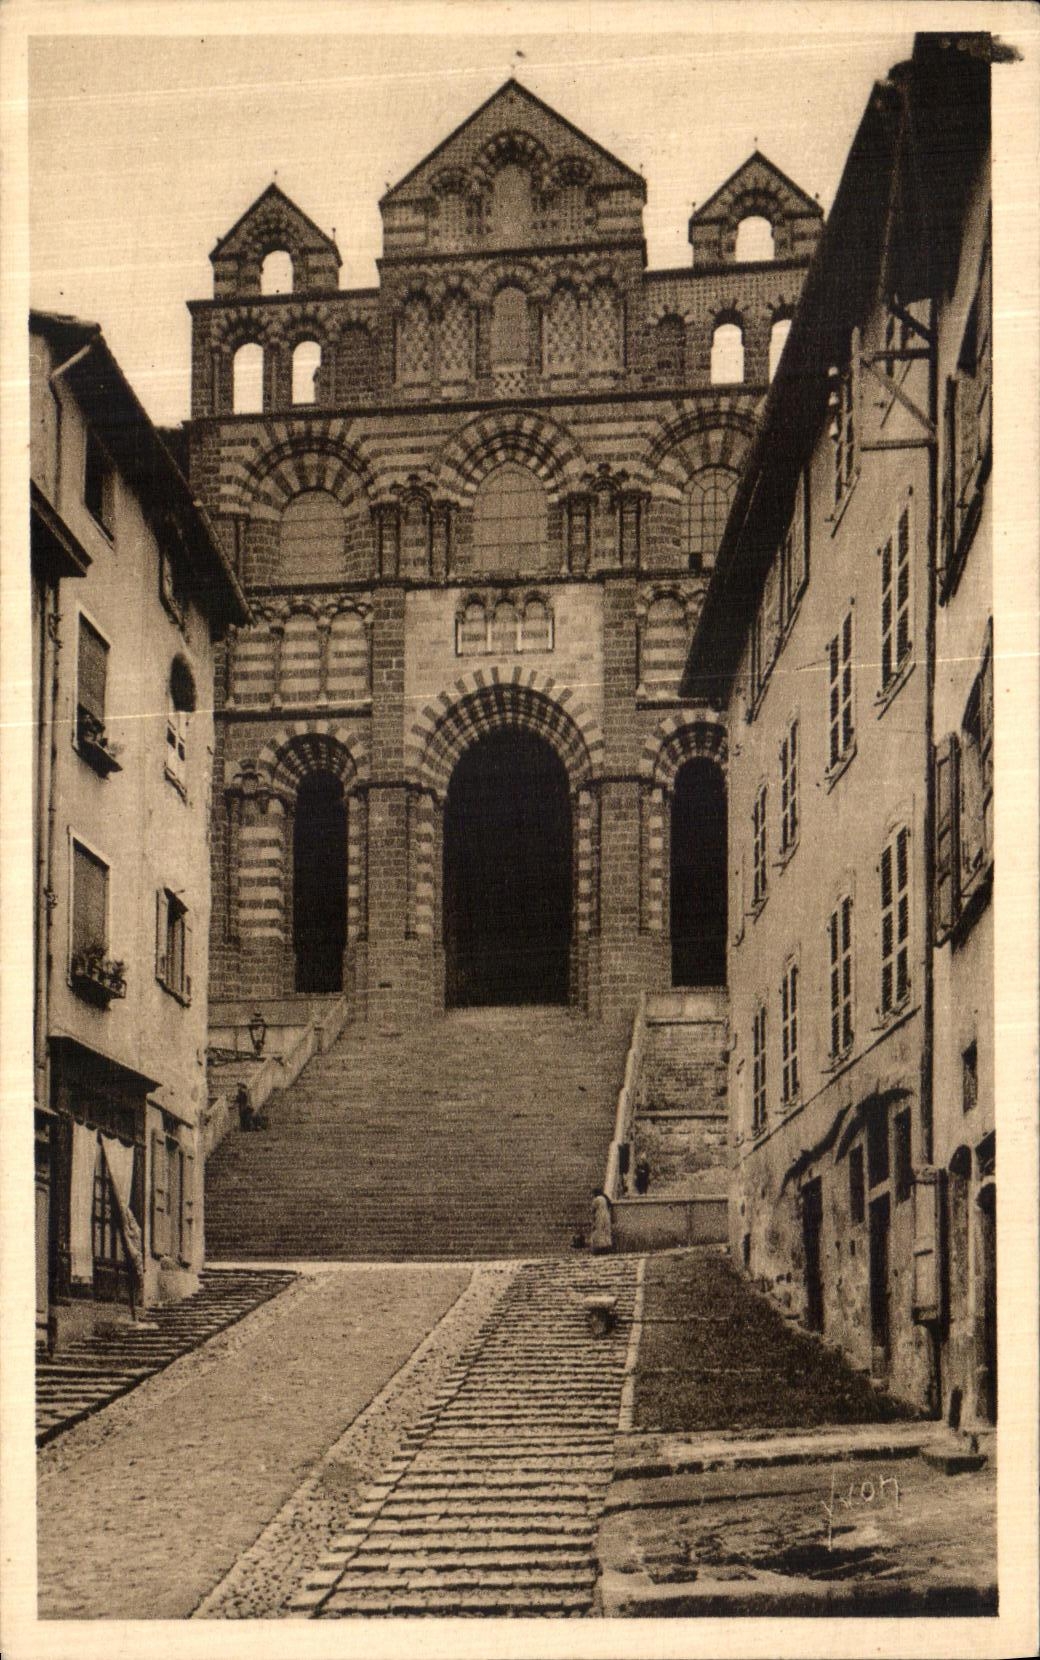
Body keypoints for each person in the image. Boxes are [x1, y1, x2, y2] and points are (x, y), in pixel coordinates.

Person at [590, 1189, 613, 1254]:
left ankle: (599, 1249)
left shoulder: (597, 1199)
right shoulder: (605, 1198)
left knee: (599, 1232)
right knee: (606, 1232)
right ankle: (607, 1248)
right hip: (606, 1216)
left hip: (599, 1216)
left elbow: (592, 1209)